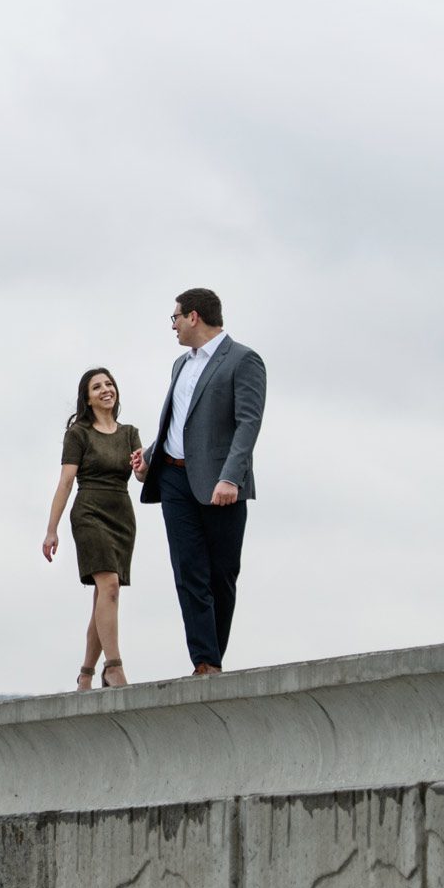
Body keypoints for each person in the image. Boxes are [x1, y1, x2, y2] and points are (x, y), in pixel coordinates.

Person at [138, 287, 265, 675]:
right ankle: (205, 662)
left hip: (219, 486)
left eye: (175, 317)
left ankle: (214, 658)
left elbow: (248, 423)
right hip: (173, 479)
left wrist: (231, 477)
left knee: (221, 574)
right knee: (188, 571)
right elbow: (180, 422)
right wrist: (148, 457)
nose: (172, 326)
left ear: (194, 317)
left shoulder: (243, 359)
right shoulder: (180, 364)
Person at [43, 366, 144, 689]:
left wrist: (143, 468)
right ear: (87, 398)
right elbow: (66, 481)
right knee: (109, 586)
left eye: (109, 384)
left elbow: (142, 476)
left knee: (105, 594)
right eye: (97, 386)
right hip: (89, 512)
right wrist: (51, 529)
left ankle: (86, 674)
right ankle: (113, 667)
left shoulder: (130, 433)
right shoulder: (79, 434)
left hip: (122, 515)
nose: (105, 389)